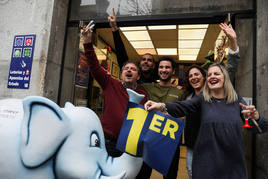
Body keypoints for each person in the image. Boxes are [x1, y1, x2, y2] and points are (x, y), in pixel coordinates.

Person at [144, 63, 268, 179]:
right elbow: (182, 106)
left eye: (216, 74)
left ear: (225, 77)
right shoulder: (203, 99)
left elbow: (259, 128)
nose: (212, 77)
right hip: (207, 164)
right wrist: (160, 105)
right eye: (209, 75)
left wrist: (256, 118)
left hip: (233, 164)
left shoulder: (236, 100)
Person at [184, 22, 241, 179]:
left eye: (197, 74)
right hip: (191, 147)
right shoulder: (188, 98)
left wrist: (233, 41)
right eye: (190, 76)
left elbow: (231, 66)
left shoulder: (214, 92)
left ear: (205, 77)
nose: (194, 77)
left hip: (212, 147)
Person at [81, 27, 148, 157]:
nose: (129, 70)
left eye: (133, 69)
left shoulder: (143, 95)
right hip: (108, 143)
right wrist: (87, 42)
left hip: (130, 146)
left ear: (138, 76)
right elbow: (94, 66)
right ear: (122, 73)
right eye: (126, 69)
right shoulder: (110, 84)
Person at [137, 56, 186, 179]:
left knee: (170, 175)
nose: (164, 70)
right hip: (148, 139)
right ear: (157, 70)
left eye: (167, 67)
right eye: (161, 67)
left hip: (170, 141)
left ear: (173, 71)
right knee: (143, 174)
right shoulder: (146, 87)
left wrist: (172, 116)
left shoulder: (180, 93)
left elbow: (183, 116)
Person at [108, 8, 158, 83]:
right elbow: (121, 54)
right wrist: (114, 28)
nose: (146, 62)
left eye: (149, 60)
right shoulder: (133, 78)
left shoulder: (156, 83)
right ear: (140, 64)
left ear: (153, 65)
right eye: (143, 59)